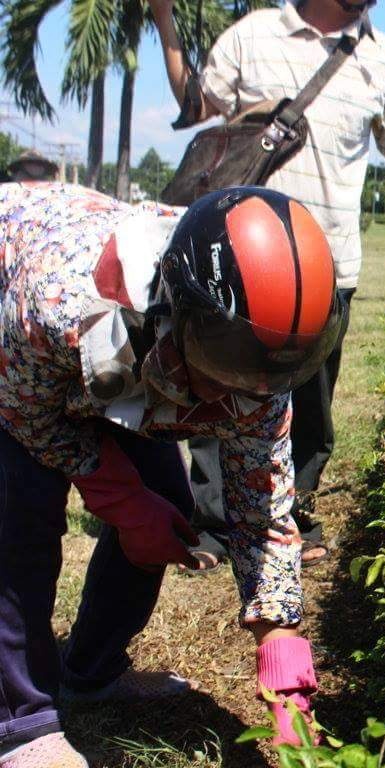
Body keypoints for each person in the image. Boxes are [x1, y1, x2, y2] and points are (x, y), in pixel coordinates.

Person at [0, 182, 343, 765]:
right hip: (20, 356)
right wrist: (122, 503)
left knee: (166, 504)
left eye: (265, 374)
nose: (245, 393)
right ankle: (20, 717)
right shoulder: (57, 302)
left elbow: (261, 513)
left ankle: (93, 672)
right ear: (177, 311)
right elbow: (26, 414)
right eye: (227, 364)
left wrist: (281, 649)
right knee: (21, 514)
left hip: (127, 356)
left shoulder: (259, 370)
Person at [148, 0, 385, 569]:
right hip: (235, 260)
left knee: (311, 398)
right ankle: (214, 525)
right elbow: (196, 106)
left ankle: (290, 514)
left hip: (327, 262)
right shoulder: (254, 33)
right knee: (217, 386)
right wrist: (165, 23)